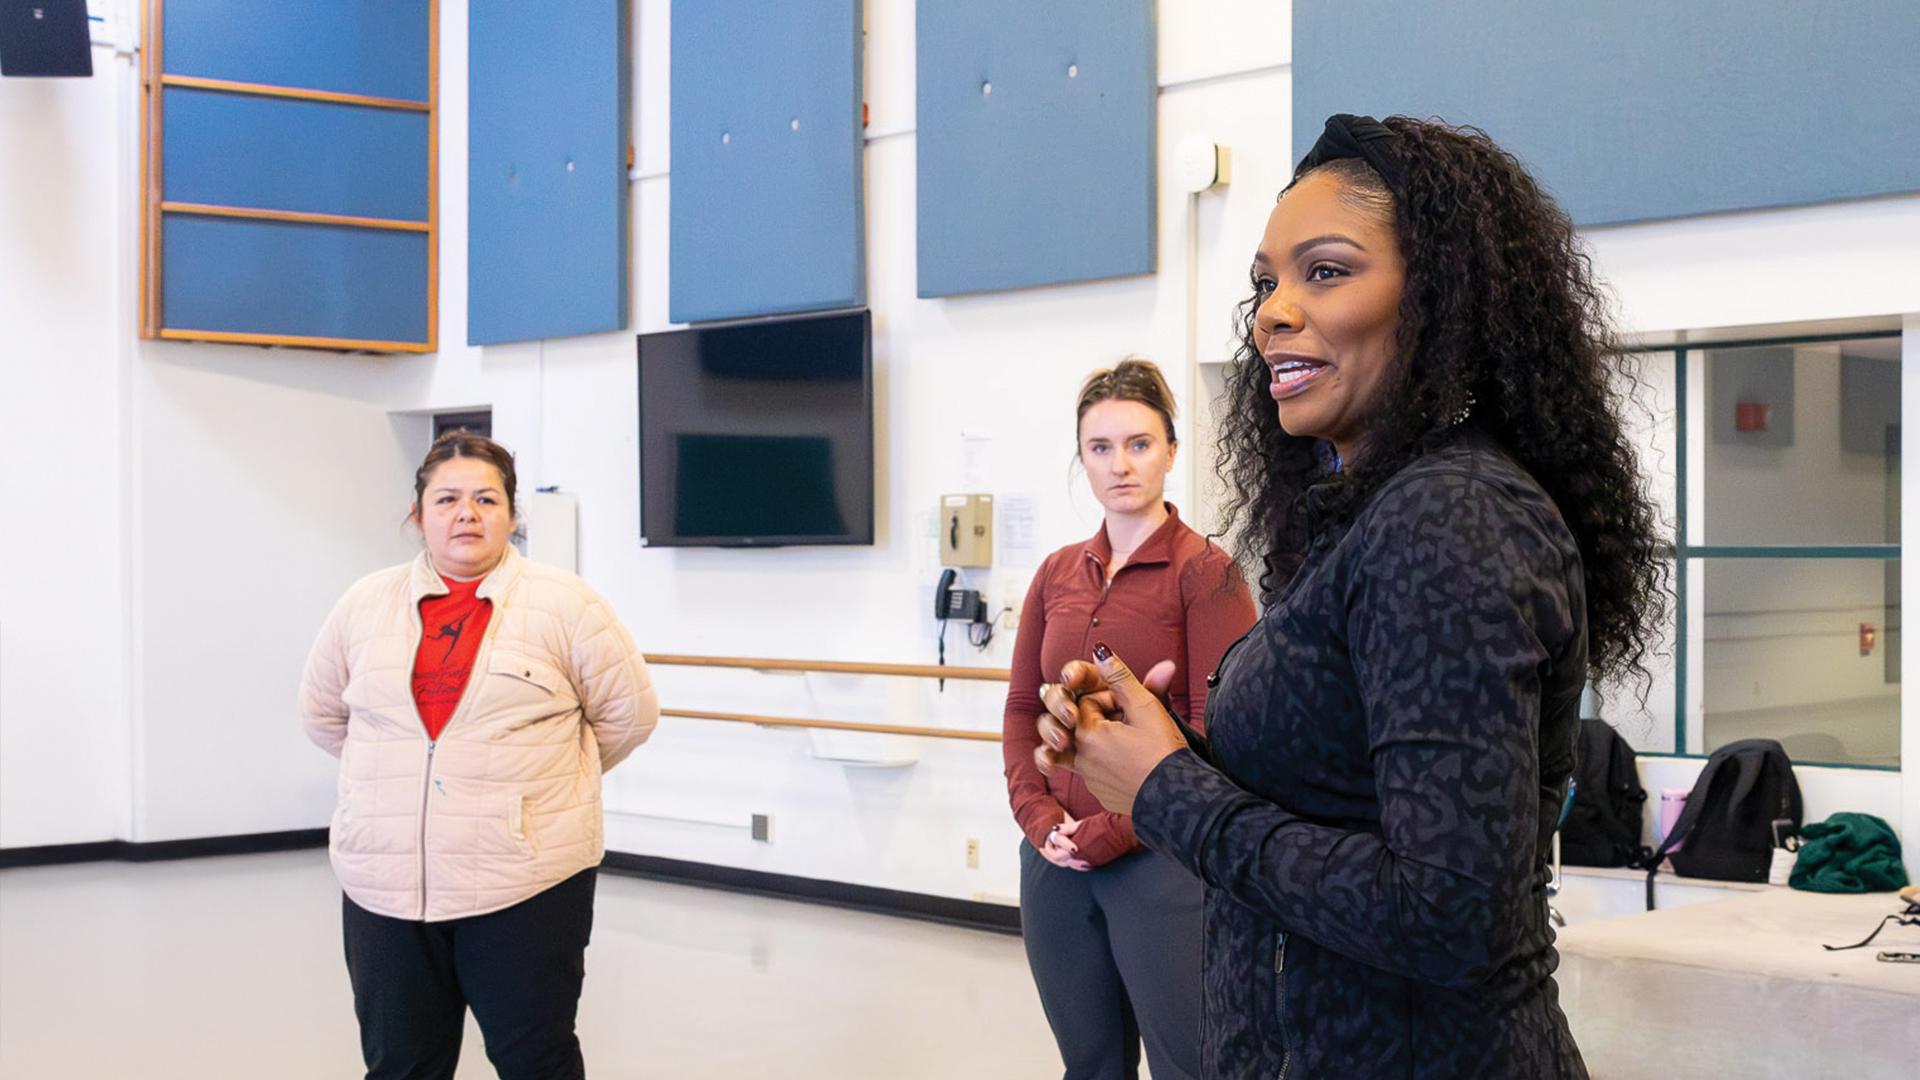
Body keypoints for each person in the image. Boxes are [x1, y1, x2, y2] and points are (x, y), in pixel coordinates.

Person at [1033, 115, 1668, 1079]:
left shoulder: (1450, 519)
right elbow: (1344, 797)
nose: (1271, 314)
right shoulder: (1370, 512)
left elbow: (1447, 913)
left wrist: (1167, 790)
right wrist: (1164, 744)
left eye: (1325, 272)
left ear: (1440, 301)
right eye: (1264, 284)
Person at [299, 430, 660, 1080]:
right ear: (418, 516)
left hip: (524, 883)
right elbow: (323, 714)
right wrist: (399, 782)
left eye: (486, 499)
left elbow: (628, 717)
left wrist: (536, 791)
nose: (466, 513)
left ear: (513, 516)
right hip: (384, 887)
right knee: (400, 1066)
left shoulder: (568, 606)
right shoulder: (363, 606)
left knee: (535, 1061)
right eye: (447, 499)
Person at [1003, 359, 1257, 1080]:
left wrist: (1110, 833)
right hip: (1055, 860)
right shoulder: (1056, 573)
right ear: (1082, 457)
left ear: (1172, 450)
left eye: (1139, 444)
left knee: (1189, 1065)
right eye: (1101, 447)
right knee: (1089, 1064)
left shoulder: (1207, 573)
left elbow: (1219, 734)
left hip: (1160, 860)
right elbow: (1024, 707)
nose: (1121, 464)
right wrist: (1037, 818)